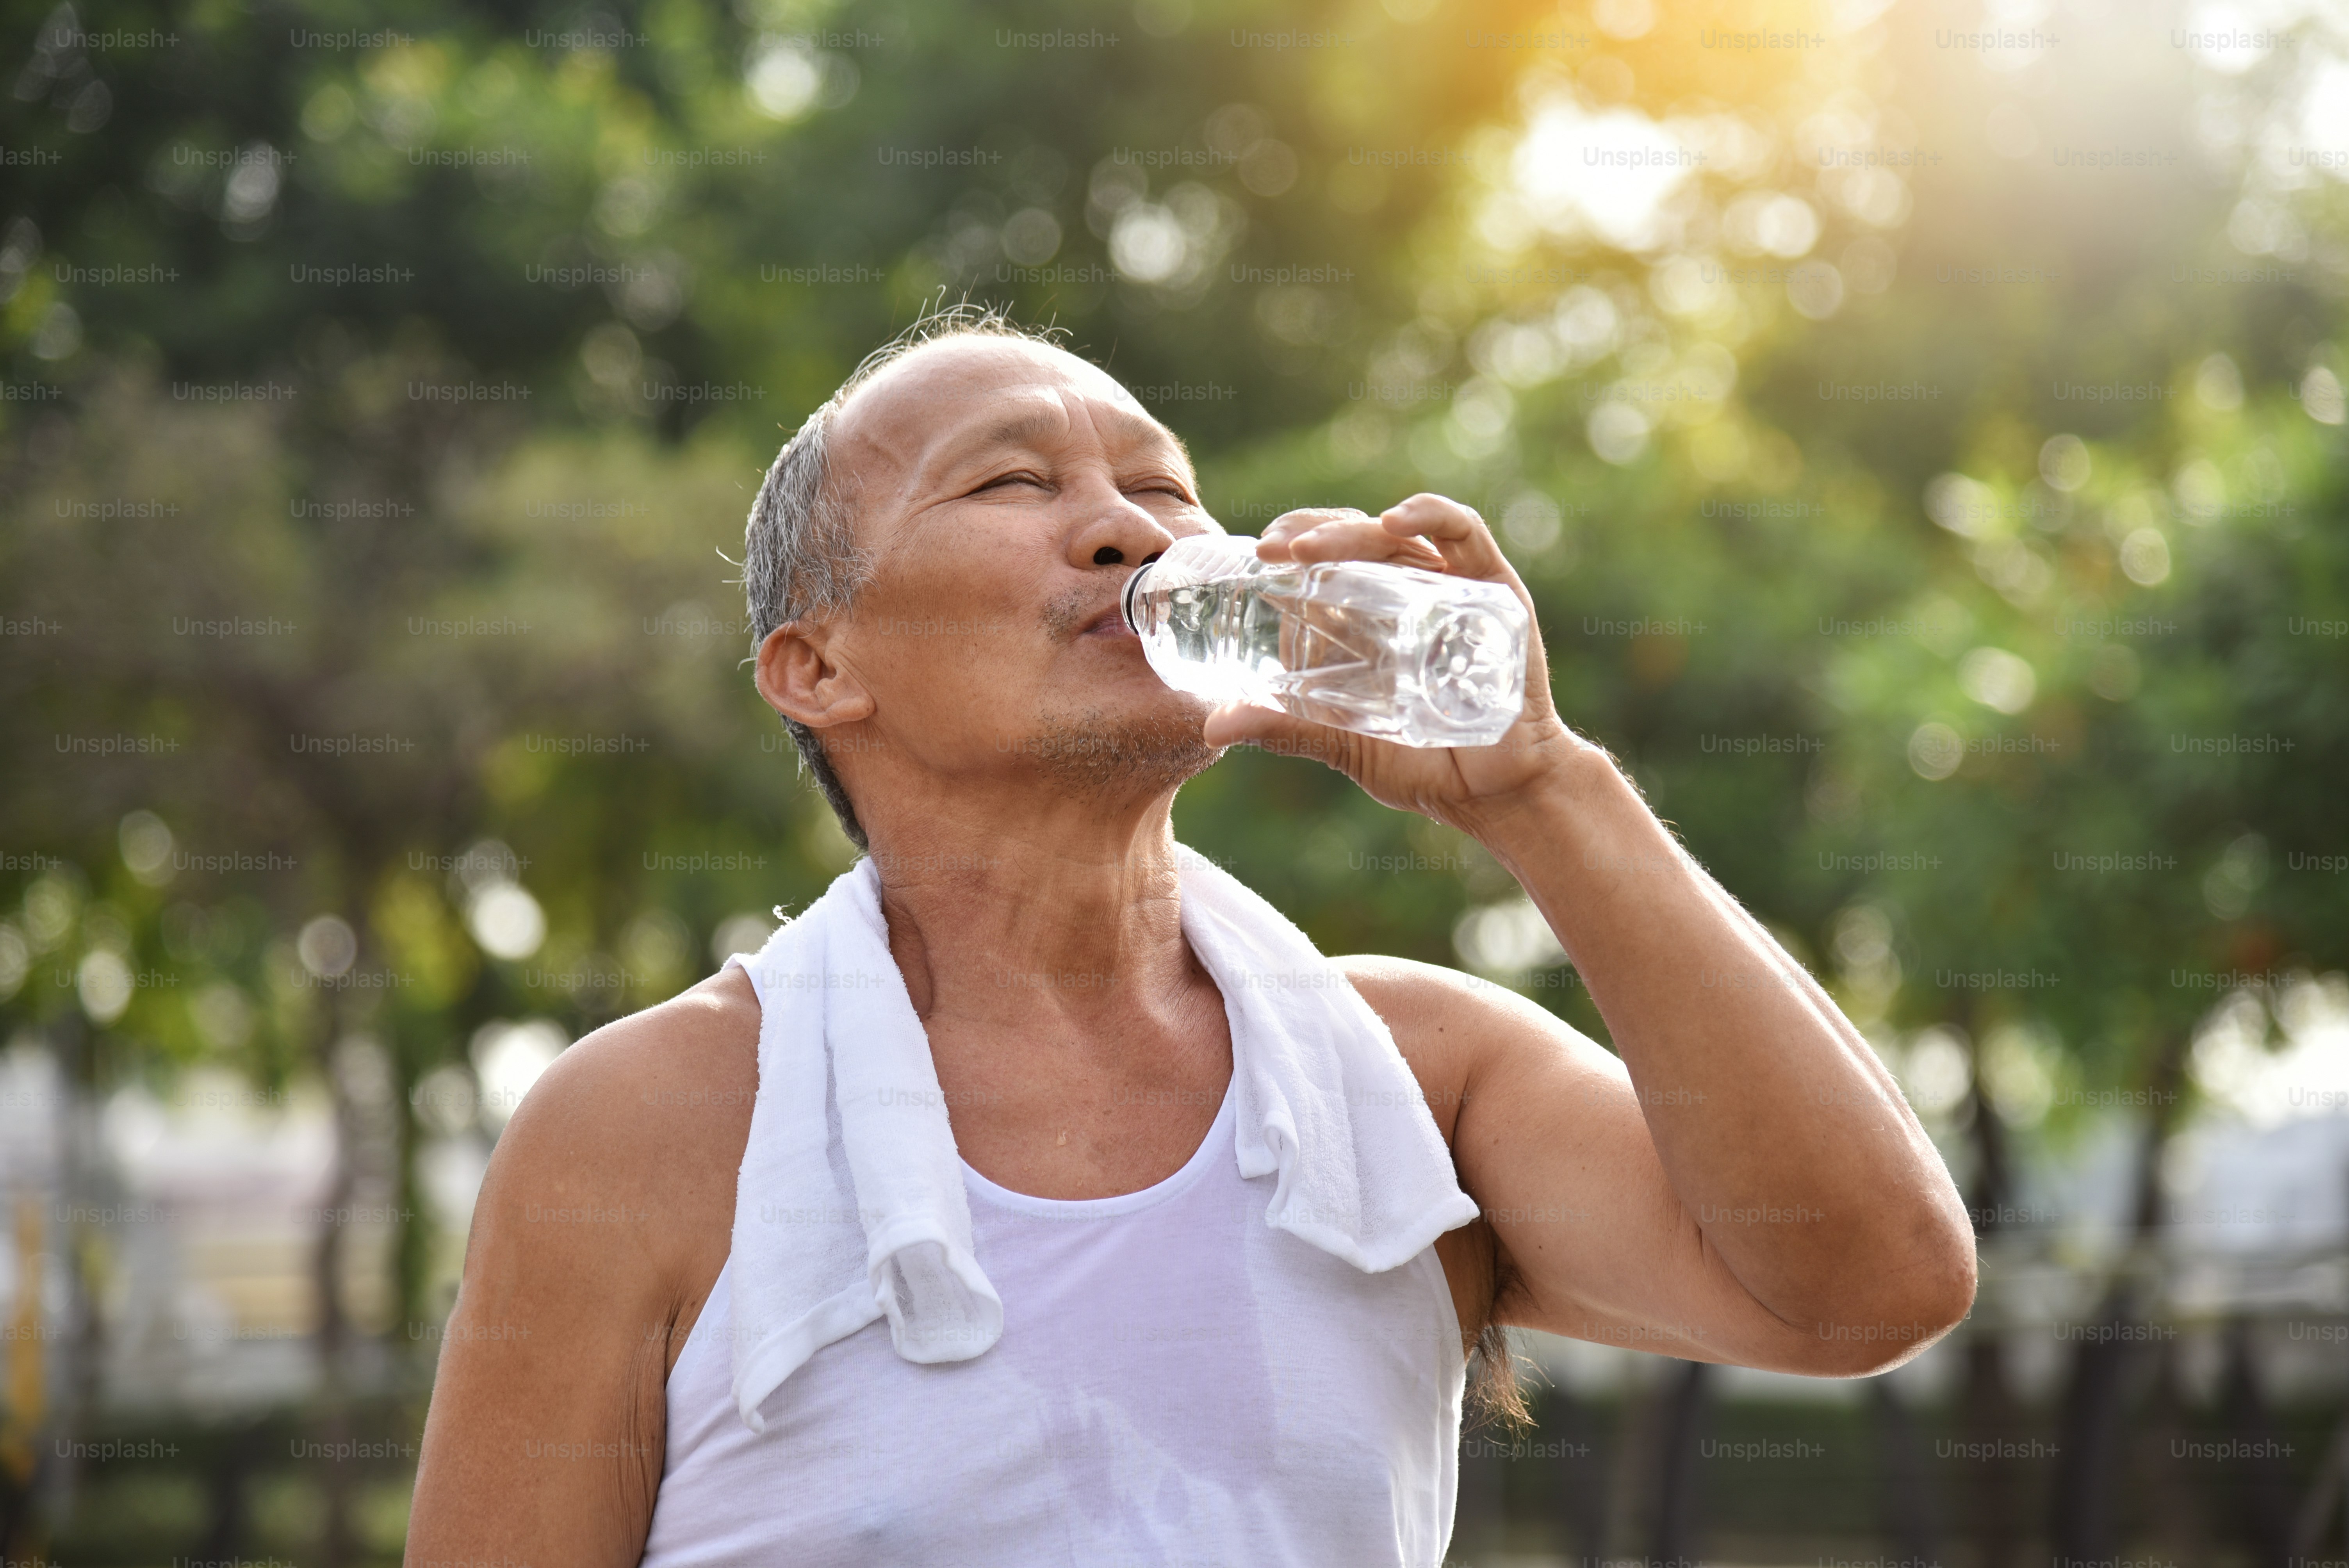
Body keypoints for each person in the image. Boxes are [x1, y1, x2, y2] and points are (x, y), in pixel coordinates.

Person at [405, 307, 1975, 1566]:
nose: (1119, 530)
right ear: (818, 667)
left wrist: (1543, 790)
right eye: (1011, 482)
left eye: (1159, 490)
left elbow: (1870, 1281)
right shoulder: (641, 1129)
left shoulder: (1412, 1078)